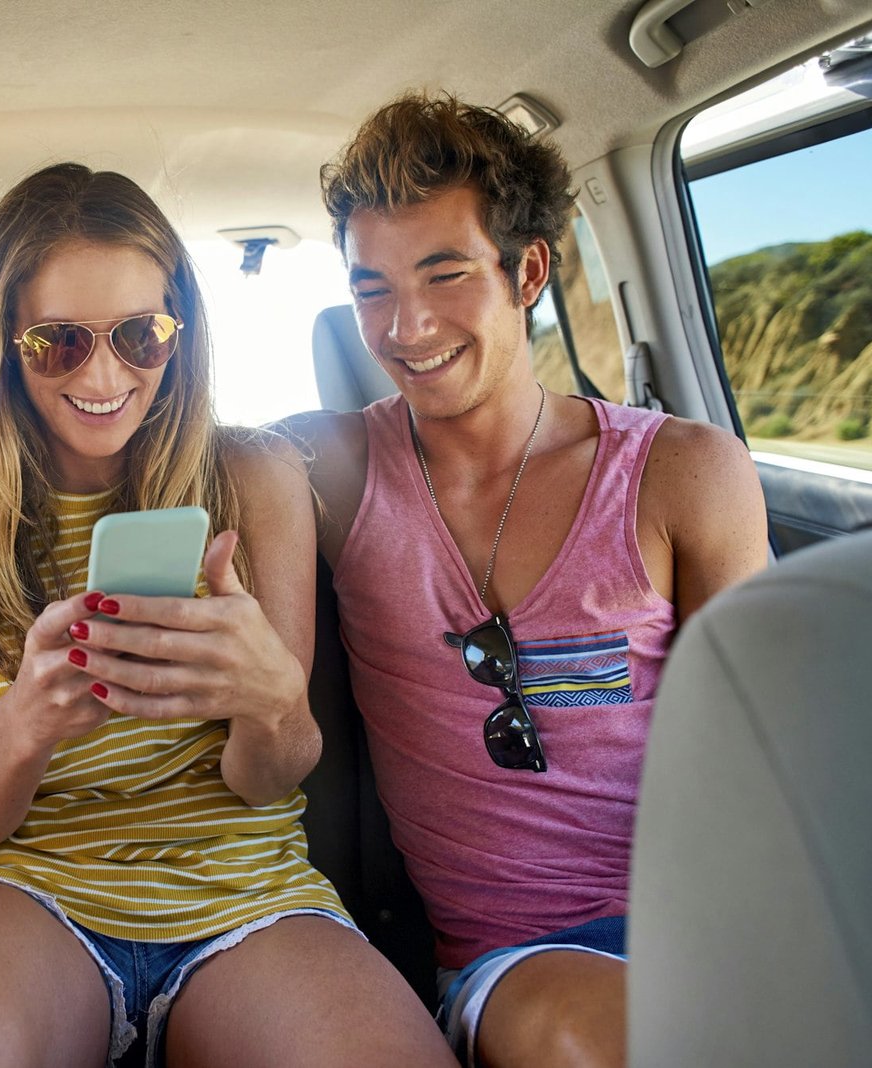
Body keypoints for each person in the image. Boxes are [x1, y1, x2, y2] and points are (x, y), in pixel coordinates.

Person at [0, 163, 451, 1068]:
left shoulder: (255, 479)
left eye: (142, 336)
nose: (106, 374)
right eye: (58, 342)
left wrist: (272, 701)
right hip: (26, 894)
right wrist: (25, 725)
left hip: (246, 894)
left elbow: (274, 777)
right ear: (3, 344)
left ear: (177, 333)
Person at [290, 92, 769, 1067]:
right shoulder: (329, 471)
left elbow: (764, 748)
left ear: (529, 272)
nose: (404, 325)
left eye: (443, 273)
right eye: (369, 287)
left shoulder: (684, 473)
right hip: (521, 958)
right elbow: (143, 445)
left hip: (725, 917)